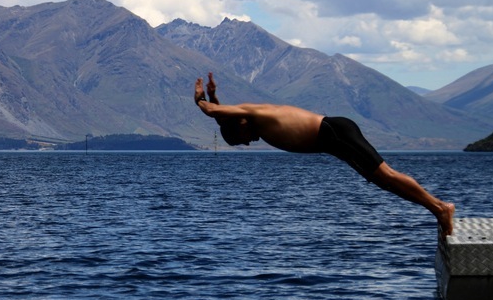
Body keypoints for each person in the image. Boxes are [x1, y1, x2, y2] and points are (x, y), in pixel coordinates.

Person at [195, 72, 455, 237]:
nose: (249, 143)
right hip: (334, 138)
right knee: (382, 181)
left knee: (386, 174)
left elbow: (212, 113)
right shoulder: (245, 114)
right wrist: (215, 95)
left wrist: (201, 100)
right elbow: (223, 117)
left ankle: (441, 207)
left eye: (243, 141)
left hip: (334, 132)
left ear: (242, 125)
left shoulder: (254, 115)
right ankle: (436, 210)